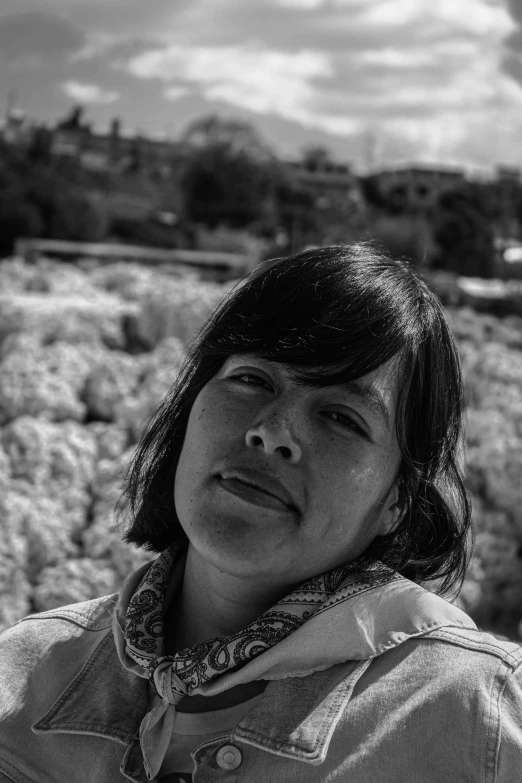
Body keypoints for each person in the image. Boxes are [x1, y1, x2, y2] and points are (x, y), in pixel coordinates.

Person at [0, 244, 521, 783]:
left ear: (398, 501)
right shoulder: (21, 680)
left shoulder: (475, 723)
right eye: (252, 380)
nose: (272, 432)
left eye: (341, 417)